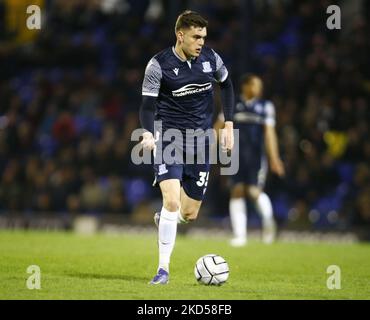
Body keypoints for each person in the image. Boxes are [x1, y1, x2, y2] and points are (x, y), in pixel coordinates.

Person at [139, 10, 234, 284]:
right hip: (169, 139)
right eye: (196, 36)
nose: (201, 42)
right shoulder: (158, 65)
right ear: (180, 36)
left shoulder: (211, 59)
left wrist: (228, 124)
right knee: (171, 201)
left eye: (203, 37)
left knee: (189, 213)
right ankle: (162, 270)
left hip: (202, 142)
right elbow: (147, 106)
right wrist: (147, 133)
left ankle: (166, 219)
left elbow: (227, 85)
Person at [216, 74, 284, 246]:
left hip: (255, 156)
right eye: (255, 84)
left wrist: (274, 158)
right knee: (237, 190)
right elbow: (218, 127)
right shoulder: (231, 104)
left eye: (259, 85)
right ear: (245, 86)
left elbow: (269, 134)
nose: (258, 88)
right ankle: (240, 236)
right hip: (235, 155)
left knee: (254, 191)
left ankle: (269, 223)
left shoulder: (265, 106)